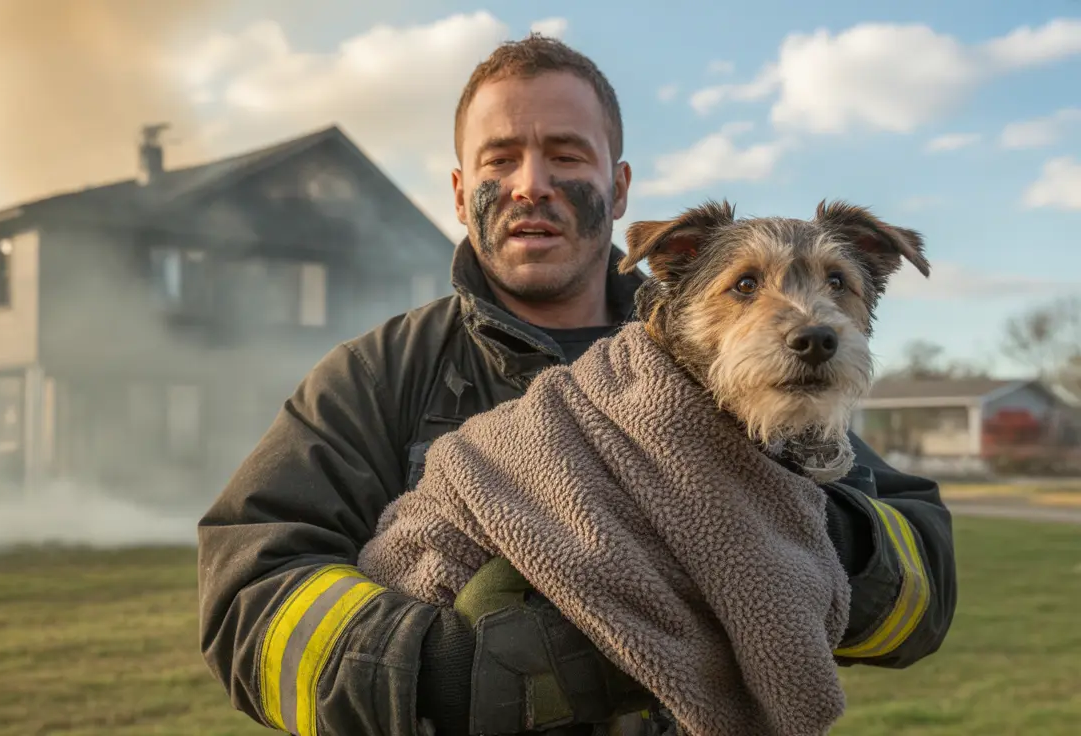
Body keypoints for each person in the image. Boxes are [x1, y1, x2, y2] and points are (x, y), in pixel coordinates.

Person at [197, 34, 957, 736]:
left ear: (618, 187)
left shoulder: (759, 391)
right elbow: (248, 600)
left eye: (565, 154)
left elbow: (924, 588)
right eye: (499, 160)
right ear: (460, 192)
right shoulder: (375, 374)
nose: (531, 184)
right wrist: (457, 673)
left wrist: (816, 537)